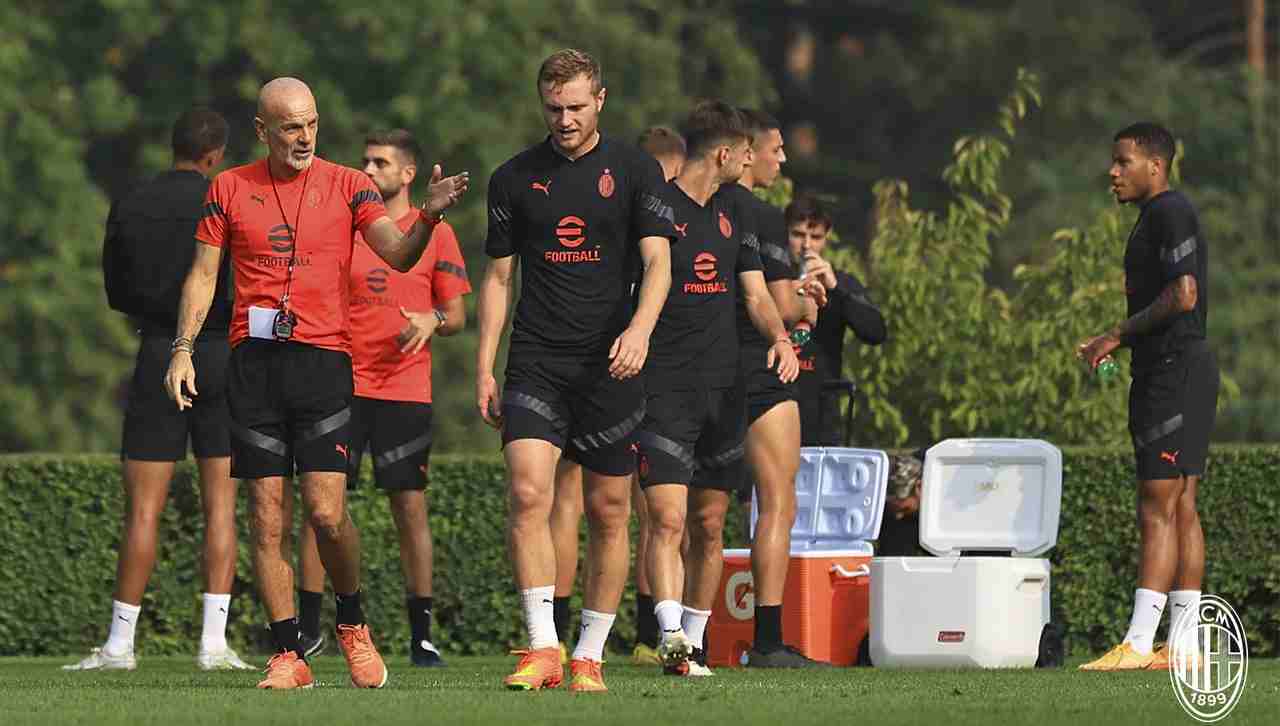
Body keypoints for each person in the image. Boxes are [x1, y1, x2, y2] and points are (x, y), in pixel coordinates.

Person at [163, 77, 469, 690]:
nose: (304, 138)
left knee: (327, 514)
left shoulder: (350, 185)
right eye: (290, 127)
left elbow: (398, 254)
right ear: (262, 131)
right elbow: (203, 274)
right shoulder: (228, 187)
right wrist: (183, 349)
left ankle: (352, 622)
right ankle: (288, 652)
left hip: (325, 363)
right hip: (254, 365)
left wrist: (430, 213)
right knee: (265, 517)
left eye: (311, 124)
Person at [476, 49, 674, 693]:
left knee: (610, 509)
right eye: (554, 108)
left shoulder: (636, 170)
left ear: (601, 100)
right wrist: (485, 367)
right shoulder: (512, 178)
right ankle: (543, 648)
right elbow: (498, 278)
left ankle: (590, 654)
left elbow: (659, 262)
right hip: (536, 362)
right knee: (528, 493)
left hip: (611, 365)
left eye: (576, 107)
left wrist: (639, 331)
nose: (564, 119)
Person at [66, 108, 251, 673]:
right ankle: (213, 645)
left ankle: (120, 646)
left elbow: (116, 291)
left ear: (174, 146)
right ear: (216, 155)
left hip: (157, 352)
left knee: (143, 512)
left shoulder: (132, 201)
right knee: (221, 507)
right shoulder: (228, 200)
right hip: (220, 355)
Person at [294, 129, 471, 668]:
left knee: (409, 508)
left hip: (404, 390)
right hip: (341, 385)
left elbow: (456, 316)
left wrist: (432, 318)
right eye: (365, 161)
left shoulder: (437, 233)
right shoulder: (347, 226)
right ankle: (309, 630)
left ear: (408, 173)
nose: (368, 170)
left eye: (380, 163)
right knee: (321, 509)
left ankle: (422, 637)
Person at [637, 101, 799, 678]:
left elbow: (755, 294)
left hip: (724, 388)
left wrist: (780, 338)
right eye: (746, 153)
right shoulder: (656, 206)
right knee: (668, 520)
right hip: (666, 387)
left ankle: (696, 642)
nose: (752, 162)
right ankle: (671, 637)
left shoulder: (737, 210)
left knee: (709, 525)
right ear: (725, 154)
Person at [1077, 122, 1219, 672]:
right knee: (1181, 506)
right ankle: (1183, 648)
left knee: (1157, 506)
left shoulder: (1169, 211)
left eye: (1123, 161)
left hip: (1172, 373)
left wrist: (1116, 334)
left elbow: (1184, 295)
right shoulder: (1156, 216)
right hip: (1185, 369)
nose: (1112, 172)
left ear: (1155, 166)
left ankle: (1137, 644)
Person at [546, 125, 688, 668]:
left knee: (609, 506)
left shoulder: (636, 206)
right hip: (621, 367)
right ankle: (626, 635)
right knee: (632, 509)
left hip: (631, 365)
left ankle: (592, 635)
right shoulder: (646, 211)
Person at [721, 109, 829, 667]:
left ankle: (681, 635)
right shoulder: (761, 216)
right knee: (777, 504)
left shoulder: (694, 206)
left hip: (702, 368)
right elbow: (781, 305)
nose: (781, 160)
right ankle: (767, 640)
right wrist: (809, 303)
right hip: (762, 368)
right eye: (775, 149)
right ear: (747, 151)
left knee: (697, 511)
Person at [784, 195, 886, 447]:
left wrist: (836, 289)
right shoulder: (768, 277)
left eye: (816, 237)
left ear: (827, 238)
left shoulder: (841, 283)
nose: (806, 246)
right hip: (774, 407)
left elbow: (875, 332)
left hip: (822, 418)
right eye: (798, 235)